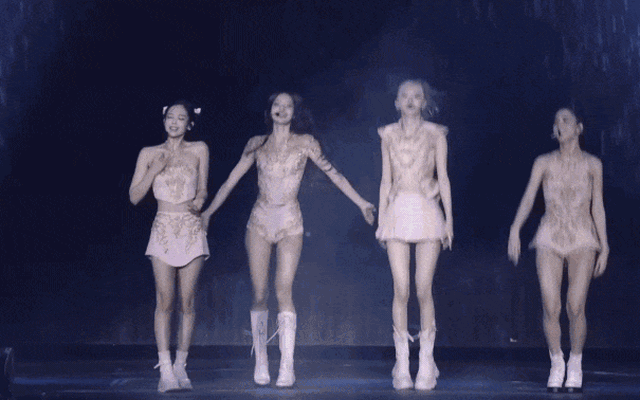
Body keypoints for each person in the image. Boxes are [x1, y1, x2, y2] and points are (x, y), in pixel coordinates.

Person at [201, 92, 375, 387]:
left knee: (284, 289)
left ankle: (287, 365)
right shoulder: (256, 144)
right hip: (259, 221)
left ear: (295, 112)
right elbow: (230, 181)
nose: (281, 109)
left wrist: (361, 203)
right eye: (276, 105)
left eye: (287, 105)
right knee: (259, 293)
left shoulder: (305, 142)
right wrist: (207, 213)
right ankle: (261, 361)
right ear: (269, 110)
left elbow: (334, 175)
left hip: (289, 222)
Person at [508, 107, 609, 393]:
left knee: (575, 305)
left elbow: (597, 206)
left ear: (579, 127)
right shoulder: (543, 162)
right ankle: (556, 361)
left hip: (582, 235)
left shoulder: (593, 164)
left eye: (566, 120)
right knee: (551, 304)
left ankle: (575, 362)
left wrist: (604, 246)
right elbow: (529, 196)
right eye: (556, 121)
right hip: (550, 234)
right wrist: (515, 229)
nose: (560, 125)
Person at [376, 80, 453, 391]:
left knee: (423, 287)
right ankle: (402, 363)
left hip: (426, 209)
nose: (410, 100)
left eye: (416, 96)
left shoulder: (436, 134)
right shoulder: (387, 134)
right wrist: (381, 219)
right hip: (397, 211)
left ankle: (426, 362)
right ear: (397, 102)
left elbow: (443, 177)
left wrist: (449, 221)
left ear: (424, 102)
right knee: (401, 287)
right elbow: (385, 179)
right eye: (404, 96)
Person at [129, 101, 210, 393]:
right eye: (170, 117)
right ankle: (165, 370)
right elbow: (134, 196)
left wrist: (200, 200)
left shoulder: (199, 149)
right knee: (164, 299)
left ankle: (180, 366)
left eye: (181, 118)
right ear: (164, 121)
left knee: (187, 301)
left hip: (190, 228)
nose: (174, 122)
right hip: (163, 227)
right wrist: (154, 169)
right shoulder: (148, 153)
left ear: (189, 124)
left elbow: (203, 188)